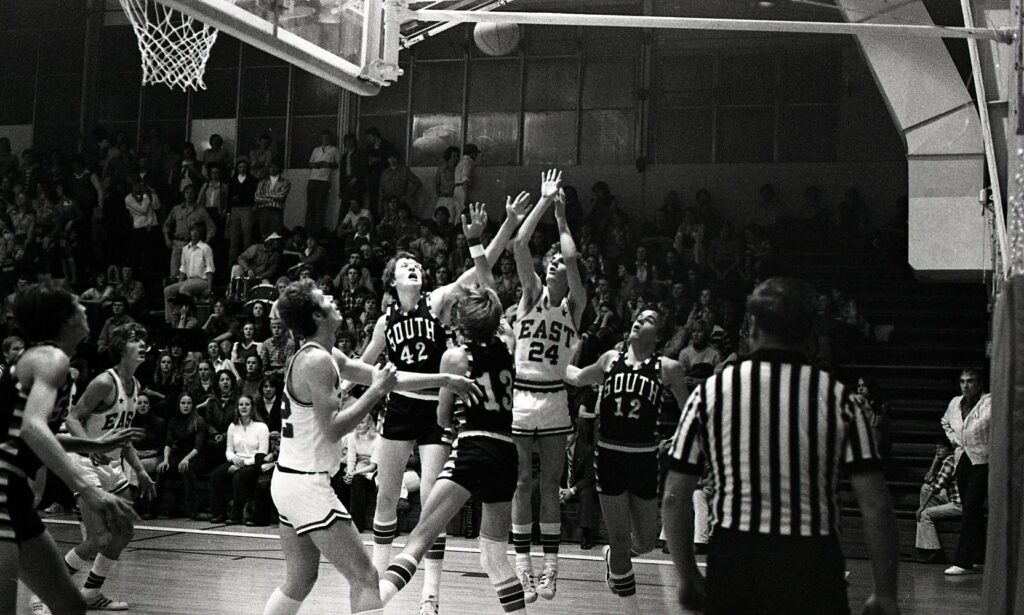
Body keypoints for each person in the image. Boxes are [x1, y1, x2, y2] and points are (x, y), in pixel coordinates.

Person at [663, 277, 899, 615]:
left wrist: (687, 576)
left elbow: (674, 496)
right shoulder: (839, 399)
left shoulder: (710, 393)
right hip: (812, 561)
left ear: (752, 327)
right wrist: (885, 593)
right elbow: (876, 504)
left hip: (736, 559)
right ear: (810, 333)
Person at [357, 191, 533, 614]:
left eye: (417, 265)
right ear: (391, 280)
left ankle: (424, 595)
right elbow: (486, 282)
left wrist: (500, 230)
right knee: (389, 498)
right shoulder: (387, 322)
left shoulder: (439, 309)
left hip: (444, 416)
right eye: (405, 266)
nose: (414, 267)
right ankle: (376, 580)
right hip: (419, 412)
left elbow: (480, 275)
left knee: (426, 519)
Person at [261, 280, 479, 615]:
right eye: (323, 298)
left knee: (300, 579)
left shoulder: (325, 355)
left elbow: (392, 377)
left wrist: (445, 380)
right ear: (317, 315)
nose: (332, 299)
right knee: (365, 577)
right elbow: (334, 429)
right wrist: (376, 392)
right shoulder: (316, 362)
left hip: (289, 481)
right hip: (306, 485)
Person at [0, 282, 139, 615]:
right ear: (63, 320)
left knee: (70, 606)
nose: (86, 308)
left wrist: (92, 443)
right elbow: (33, 428)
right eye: (78, 304)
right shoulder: (51, 358)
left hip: (15, 495)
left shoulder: (48, 362)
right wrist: (89, 490)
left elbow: (31, 433)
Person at [565, 307, 690, 614]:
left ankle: (613, 556)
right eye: (639, 316)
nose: (639, 320)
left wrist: (677, 438)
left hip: (644, 459)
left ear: (658, 336)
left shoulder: (668, 368)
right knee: (620, 540)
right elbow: (578, 377)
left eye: (649, 319)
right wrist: (545, 361)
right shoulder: (610, 359)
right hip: (609, 456)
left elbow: (689, 410)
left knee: (646, 542)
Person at [509, 171, 582, 603]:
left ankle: (550, 569)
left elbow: (572, 259)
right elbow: (520, 244)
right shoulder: (531, 292)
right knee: (522, 484)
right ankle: (523, 568)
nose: (554, 262)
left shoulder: (575, 304)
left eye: (558, 261)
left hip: (554, 398)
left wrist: (562, 216)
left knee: (550, 486)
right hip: (521, 395)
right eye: (550, 259)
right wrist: (542, 201)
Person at [60, 323, 154, 611]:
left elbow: (122, 437)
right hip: (85, 463)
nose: (142, 344)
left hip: (111, 464)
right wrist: (92, 447)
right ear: (121, 348)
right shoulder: (104, 382)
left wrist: (140, 470)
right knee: (98, 538)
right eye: (135, 339)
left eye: (143, 339)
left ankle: (90, 593)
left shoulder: (135, 386)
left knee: (124, 531)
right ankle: (48, 592)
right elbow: (72, 418)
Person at [940, 368, 990, 576]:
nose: (965, 386)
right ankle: (977, 557)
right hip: (962, 459)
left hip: (983, 460)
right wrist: (955, 440)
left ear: (979, 384)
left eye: (970, 381)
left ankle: (963, 561)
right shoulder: (955, 403)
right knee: (971, 510)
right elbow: (945, 422)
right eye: (962, 381)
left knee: (971, 509)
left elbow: (990, 427)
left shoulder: (989, 403)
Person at [209, 395, 270, 524]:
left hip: (254, 463)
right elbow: (229, 450)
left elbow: (262, 453)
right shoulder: (233, 426)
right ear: (237, 408)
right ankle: (218, 513)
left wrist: (242, 464)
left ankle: (235, 516)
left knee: (239, 476)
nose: (244, 407)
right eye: (241, 404)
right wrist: (234, 459)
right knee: (215, 475)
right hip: (236, 460)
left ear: (252, 407)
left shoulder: (261, 427)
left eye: (247, 404)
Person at [915, 439, 960, 564]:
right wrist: (935, 461)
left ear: (949, 449)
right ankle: (927, 530)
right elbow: (928, 480)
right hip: (951, 498)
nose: (938, 451)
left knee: (924, 513)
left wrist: (922, 507)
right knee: (925, 488)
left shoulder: (950, 461)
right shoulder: (945, 460)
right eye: (936, 448)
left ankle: (933, 552)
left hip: (959, 503)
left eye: (941, 448)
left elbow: (937, 486)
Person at [163, 222, 215, 325]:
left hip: (202, 281)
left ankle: (182, 316)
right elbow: (183, 269)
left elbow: (210, 268)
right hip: (188, 280)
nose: (194, 233)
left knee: (184, 289)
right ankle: (171, 320)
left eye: (197, 231)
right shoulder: (185, 249)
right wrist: (179, 283)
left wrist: (209, 287)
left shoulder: (205, 248)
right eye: (192, 230)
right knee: (168, 290)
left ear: (200, 233)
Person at [307, 131, 339, 231]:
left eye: (327, 137)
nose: (325, 139)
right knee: (310, 206)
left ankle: (318, 230)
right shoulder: (316, 149)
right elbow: (310, 163)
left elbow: (337, 164)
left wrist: (327, 164)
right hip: (313, 179)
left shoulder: (334, 149)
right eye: (324, 137)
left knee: (319, 206)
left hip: (324, 180)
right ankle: (308, 229)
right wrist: (316, 165)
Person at [452, 143, 480, 221]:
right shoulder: (467, 162)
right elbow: (465, 179)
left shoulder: (462, 162)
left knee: (459, 212)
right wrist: (466, 196)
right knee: (463, 212)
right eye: (475, 153)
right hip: (463, 189)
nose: (476, 155)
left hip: (458, 188)